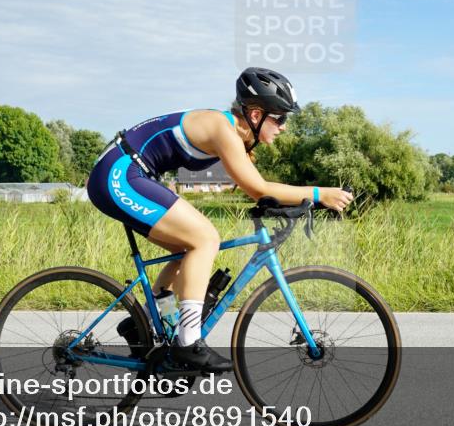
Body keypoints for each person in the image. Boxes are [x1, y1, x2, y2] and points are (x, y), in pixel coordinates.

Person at [86, 67, 354, 372]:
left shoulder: (233, 134)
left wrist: (296, 202)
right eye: (280, 118)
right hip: (118, 174)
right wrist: (320, 194)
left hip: (130, 172)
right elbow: (258, 189)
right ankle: (188, 342)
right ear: (256, 115)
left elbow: (256, 186)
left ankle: (145, 321)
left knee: (190, 246)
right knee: (205, 238)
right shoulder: (222, 129)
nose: (283, 127)